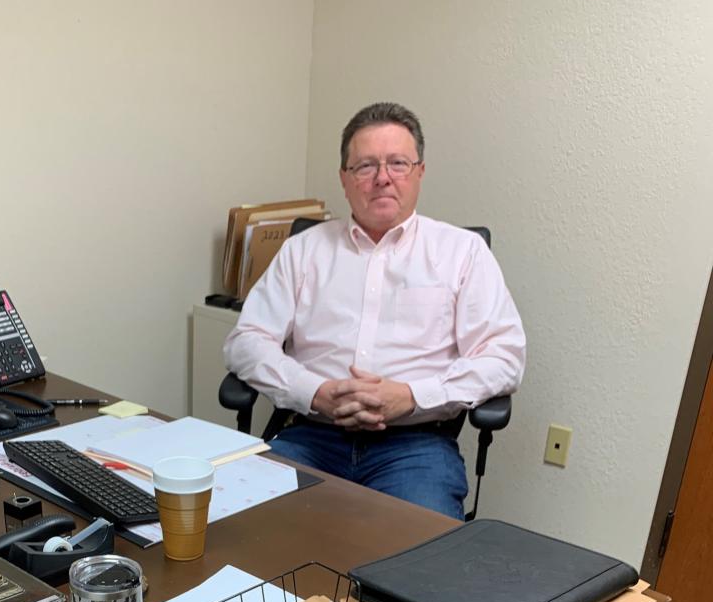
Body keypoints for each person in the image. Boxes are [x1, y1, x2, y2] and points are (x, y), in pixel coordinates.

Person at [223, 102, 526, 520]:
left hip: (416, 448)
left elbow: (504, 358)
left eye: (398, 163)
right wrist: (314, 392)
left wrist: (412, 396)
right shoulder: (303, 250)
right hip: (312, 435)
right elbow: (246, 342)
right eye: (365, 166)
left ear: (420, 171)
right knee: (238, 528)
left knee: (420, 566)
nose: (383, 178)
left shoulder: (462, 253)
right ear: (344, 179)